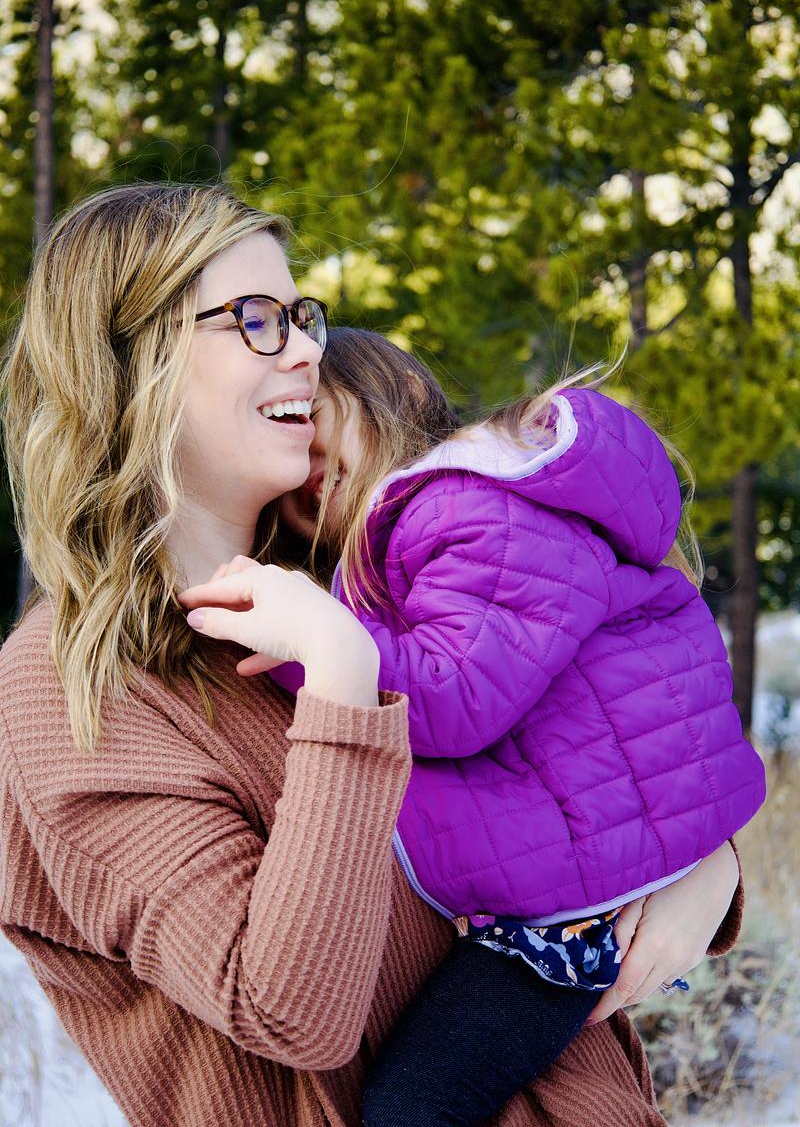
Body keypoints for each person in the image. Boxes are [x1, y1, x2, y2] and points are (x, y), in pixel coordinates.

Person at [0, 183, 746, 1127]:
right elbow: (291, 1011)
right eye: (255, 320)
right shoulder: (71, 689)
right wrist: (342, 683)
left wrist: (707, 869)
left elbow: (594, 740)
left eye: (301, 316)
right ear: (128, 360)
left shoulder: (369, 573)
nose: (306, 350)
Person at [276, 327, 766, 1126]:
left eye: (316, 428)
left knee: (417, 1104)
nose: (303, 468)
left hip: (575, 905)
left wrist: (310, 644)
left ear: (398, 395)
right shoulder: (460, 516)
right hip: (584, 879)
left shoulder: (457, 511)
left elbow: (457, 692)